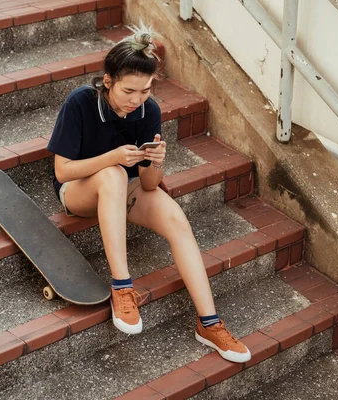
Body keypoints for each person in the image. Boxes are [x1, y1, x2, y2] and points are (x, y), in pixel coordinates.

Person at [47, 25, 251, 363]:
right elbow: (62, 171)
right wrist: (113, 158)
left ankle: (209, 323)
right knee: (112, 175)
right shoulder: (80, 102)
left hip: (125, 190)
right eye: (129, 90)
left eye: (145, 90)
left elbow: (150, 184)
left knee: (175, 217)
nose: (137, 99)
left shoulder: (148, 110)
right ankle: (122, 286)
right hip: (79, 190)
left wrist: (156, 162)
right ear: (108, 80)